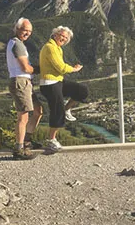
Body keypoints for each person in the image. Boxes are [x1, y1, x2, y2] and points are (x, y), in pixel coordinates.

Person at [39, 26, 88, 152]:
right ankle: (51, 140)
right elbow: (60, 67)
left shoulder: (58, 48)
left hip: (58, 81)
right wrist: (74, 69)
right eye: (62, 35)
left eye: (66, 38)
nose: (64, 38)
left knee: (81, 90)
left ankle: (67, 109)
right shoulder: (50, 47)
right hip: (49, 84)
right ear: (54, 35)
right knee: (57, 110)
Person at [6, 18, 43, 160]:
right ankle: (19, 149)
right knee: (23, 116)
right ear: (17, 29)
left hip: (25, 81)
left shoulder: (15, 43)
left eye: (29, 31)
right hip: (20, 81)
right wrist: (41, 68)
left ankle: (27, 141)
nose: (27, 33)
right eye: (24, 30)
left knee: (38, 111)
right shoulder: (18, 45)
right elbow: (25, 68)